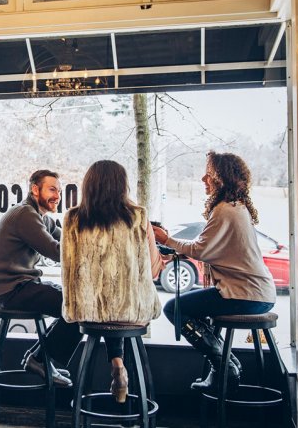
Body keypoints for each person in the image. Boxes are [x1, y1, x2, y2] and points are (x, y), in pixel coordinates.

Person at [153, 151, 276, 394]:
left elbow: (201, 249)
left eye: (208, 174)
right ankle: (224, 364)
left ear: (222, 178)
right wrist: (173, 249)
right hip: (258, 294)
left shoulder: (224, 211)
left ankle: (224, 366)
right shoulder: (236, 208)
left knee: (174, 308)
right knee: (193, 309)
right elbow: (215, 249)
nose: (202, 179)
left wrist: (166, 238)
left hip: (244, 295)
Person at [61, 160, 164, 403]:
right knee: (117, 312)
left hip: (88, 311)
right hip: (132, 311)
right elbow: (151, 270)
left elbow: (67, 268)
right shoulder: (138, 216)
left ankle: (117, 364)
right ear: (122, 185)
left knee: (105, 311)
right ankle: (119, 368)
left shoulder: (73, 218)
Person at [0, 169, 80, 387]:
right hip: (12, 291)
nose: (57, 195)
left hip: (23, 286)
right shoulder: (25, 215)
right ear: (35, 189)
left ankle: (40, 358)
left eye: (58, 190)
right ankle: (39, 359)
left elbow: (67, 239)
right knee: (78, 307)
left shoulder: (41, 218)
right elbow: (57, 251)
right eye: (51, 189)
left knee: (75, 303)